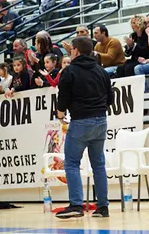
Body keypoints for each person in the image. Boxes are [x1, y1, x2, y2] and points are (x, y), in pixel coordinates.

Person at [55, 37, 113, 219]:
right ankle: (103, 207)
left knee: (72, 163)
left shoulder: (69, 71)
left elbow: (63, 97)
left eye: (71, 49)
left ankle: (76, 205)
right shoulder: (101, 71)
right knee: (99, 165)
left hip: (80, 121)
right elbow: (111, 98)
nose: (70, 52)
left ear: (76, 51)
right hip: (101, 121)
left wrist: (60, 115)